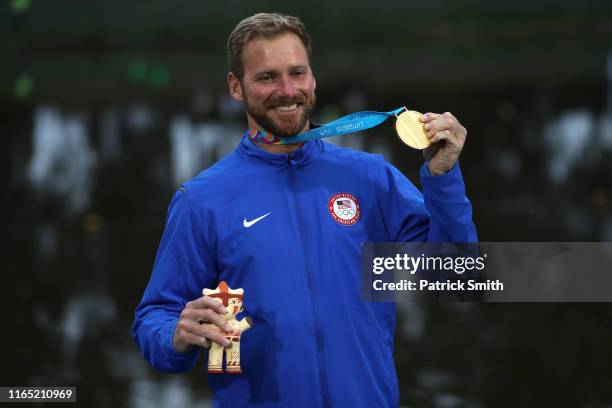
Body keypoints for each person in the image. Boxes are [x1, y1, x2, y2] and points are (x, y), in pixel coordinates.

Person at [131, 12, 477, 407]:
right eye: (266, 77)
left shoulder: (371, 178)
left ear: (312, 79)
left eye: (297, 73)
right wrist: (175, 333)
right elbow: (153, 319)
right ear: (236, 87)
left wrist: (442, 176)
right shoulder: (203, 199)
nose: (286, 89)